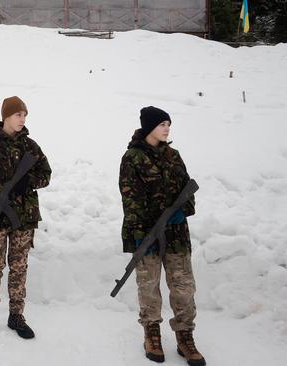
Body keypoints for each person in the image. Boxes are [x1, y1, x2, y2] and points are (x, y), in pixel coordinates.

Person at [119, 106, 205, 366]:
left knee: (183, 288)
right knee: (149, 287)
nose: (167, 128)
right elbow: (130, 200)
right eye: (162, 124)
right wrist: (140, 235)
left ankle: (185, 336)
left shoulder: (174, 156)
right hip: (146, 234)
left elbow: (188, 193)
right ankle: (152, 333)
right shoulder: (132, 158)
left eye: (169, 124)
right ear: (149, 128)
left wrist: (181, 212)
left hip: (177, 235)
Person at [0, 96, 51, 339]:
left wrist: (28, 182)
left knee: (19, 268)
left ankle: (16, 316)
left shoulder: (31, 147)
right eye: (19, 115)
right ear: (6, 116)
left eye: (25, 115)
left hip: (24, 219)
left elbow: (46, 174)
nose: (23, 119)